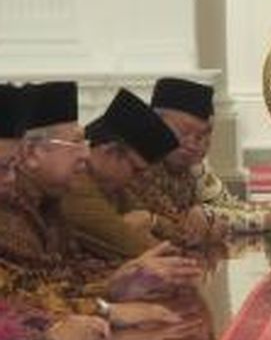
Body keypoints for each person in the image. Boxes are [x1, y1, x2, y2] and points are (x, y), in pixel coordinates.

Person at [0, 82, 196, 327]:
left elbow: (61, 277)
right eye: (76, 143)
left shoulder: (48, 200)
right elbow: (22, 302)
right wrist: (105, 307)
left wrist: (113, 286)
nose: (85, 154)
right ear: (31, 153)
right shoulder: (10, 207)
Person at [124, 77, 271, 246]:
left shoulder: (192, 167)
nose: (194, 144)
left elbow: (230, 207)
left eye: (202, 136)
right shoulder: (138, 165)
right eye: (183, 133)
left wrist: (208, 215)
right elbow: (183, 229)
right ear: (154, 126)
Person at [60, 88, 179, 260]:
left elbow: (181, 235)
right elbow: (141, 251)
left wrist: (151, 220)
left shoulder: (112, 187)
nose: (136, 179)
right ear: (110, 152)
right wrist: (139, 229)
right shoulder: (75, 185)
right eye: (136, 170)